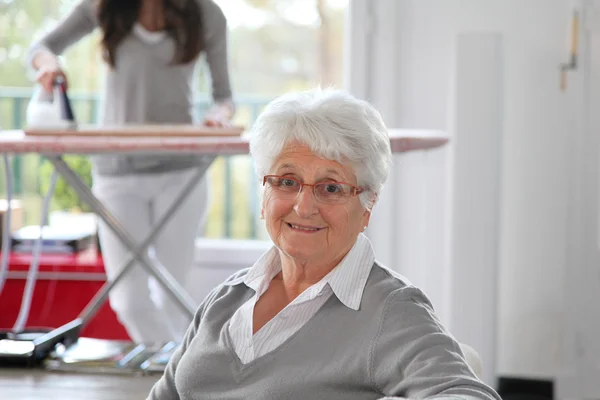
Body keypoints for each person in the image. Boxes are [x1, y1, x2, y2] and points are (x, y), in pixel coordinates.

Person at [147, 88, 501, 399]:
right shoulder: (227, 297)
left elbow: (466, 393)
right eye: (286, 181)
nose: (304, 206)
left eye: (331, 188)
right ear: (264, 194)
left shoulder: (389, 309)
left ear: (367, 206)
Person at [25, 0, 234, 343]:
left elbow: (224, 97)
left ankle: (174, 379)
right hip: (117, 171)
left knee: (172, 293)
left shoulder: (205, 12)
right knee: (129, 300)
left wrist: (218, 118)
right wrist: (48, 65)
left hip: (181, 171)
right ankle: (174, 365)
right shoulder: (102, 6)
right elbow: (41, 46)